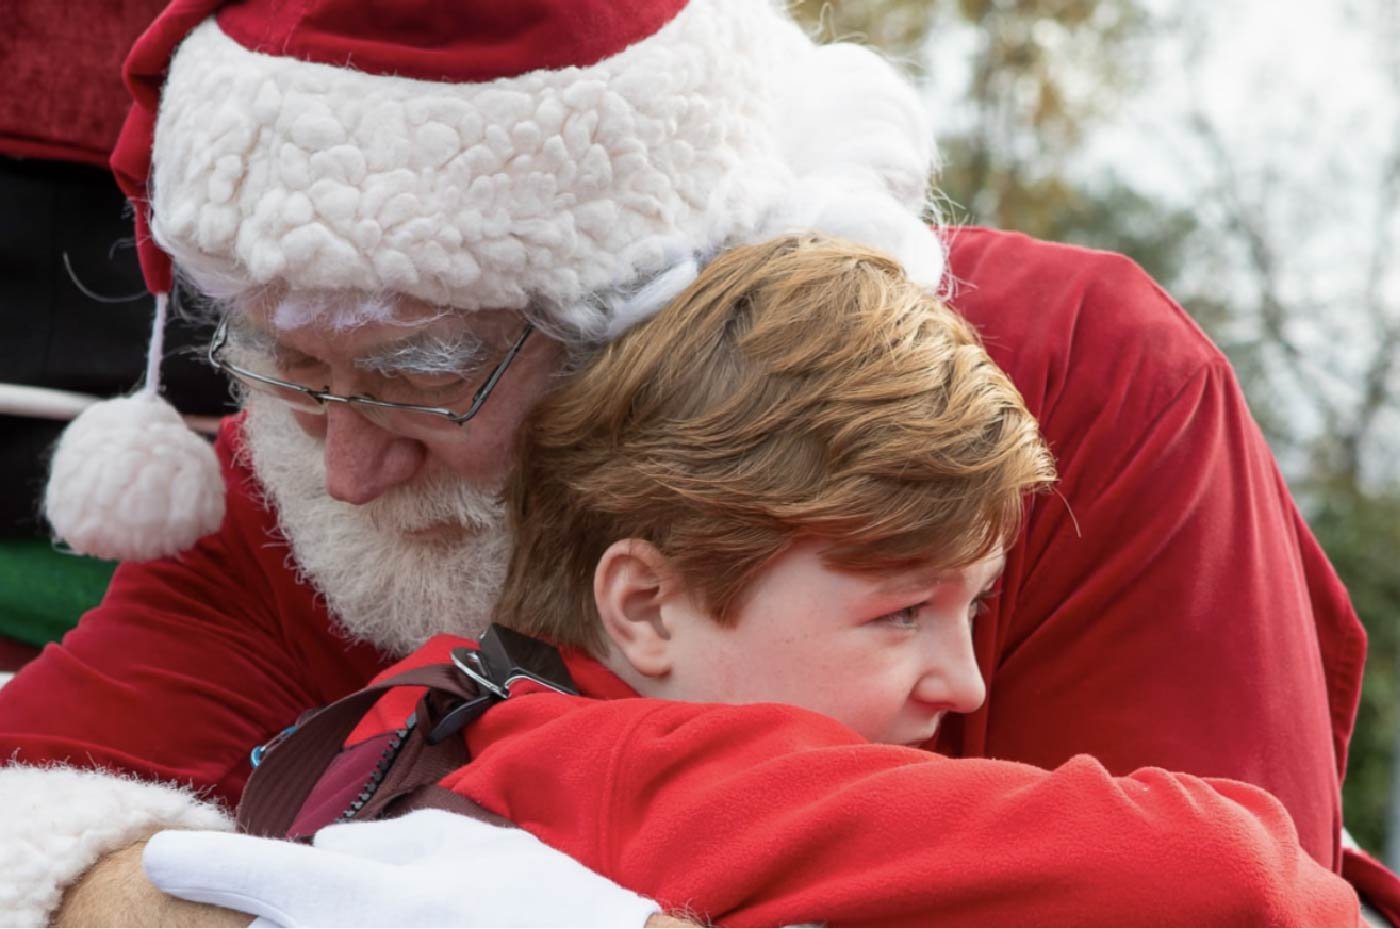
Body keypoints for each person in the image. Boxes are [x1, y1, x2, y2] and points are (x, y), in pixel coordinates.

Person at [0, 0, 1392, 924]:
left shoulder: (1079, 372)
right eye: (278, 363)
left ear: (652, 314)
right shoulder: (295, 479)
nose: (346, 465)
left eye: (428, 368)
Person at [157, 234, 1361, 926]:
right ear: (643, 604)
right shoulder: (632, 768)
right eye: (898, 610)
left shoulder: (440, 708)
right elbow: (1243, 882)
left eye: (969, 607)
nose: (960, 678)